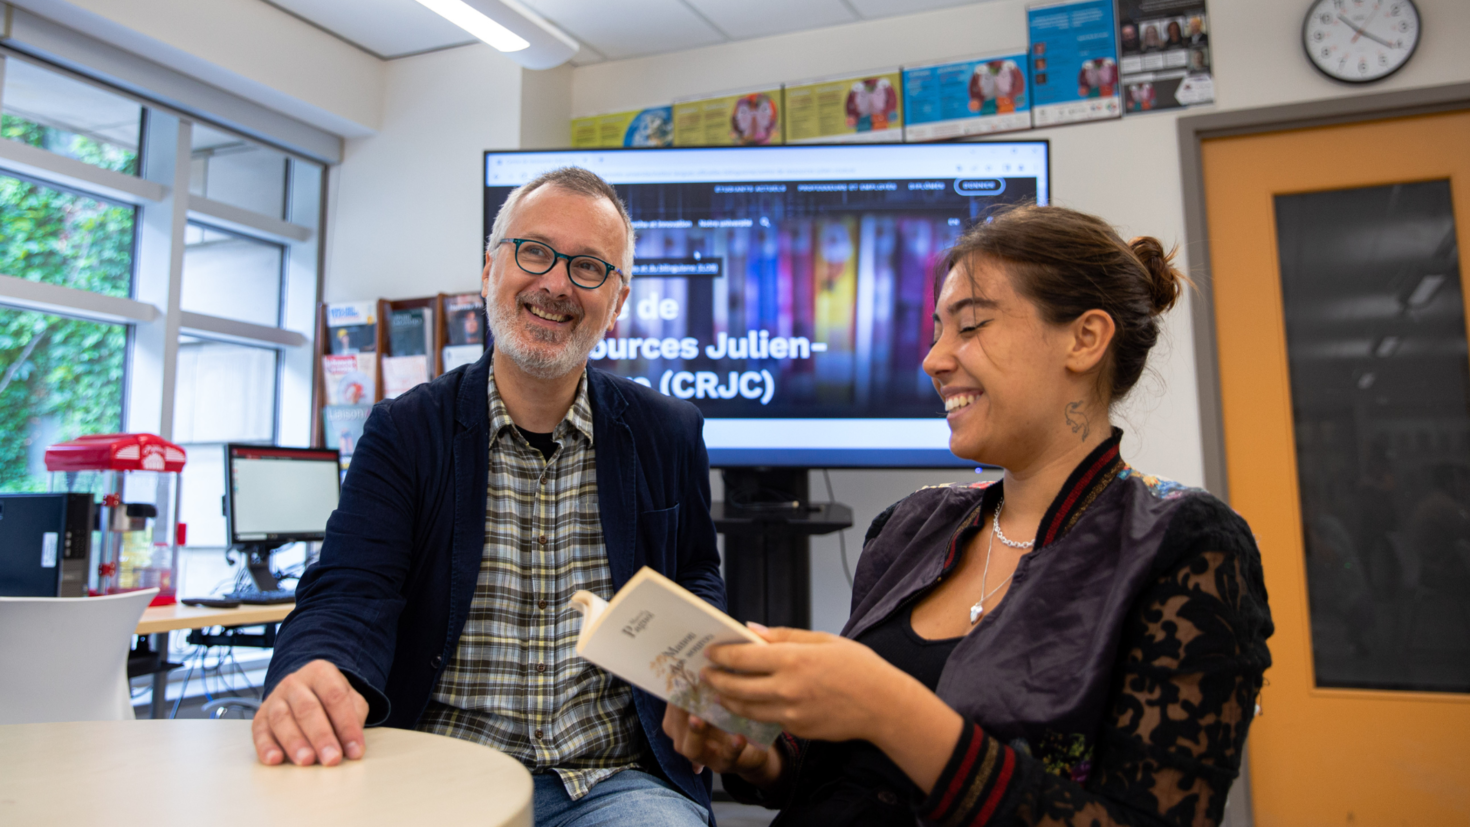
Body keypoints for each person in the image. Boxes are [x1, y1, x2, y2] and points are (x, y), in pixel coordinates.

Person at [664, 205, 1274, 827]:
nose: (933, 359)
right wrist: (758, 754)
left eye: (971, 327)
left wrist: (886, 704)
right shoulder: (908, 528)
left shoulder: (1184, 546)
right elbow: (843, 771)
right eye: (935, 332)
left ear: (1085, 339)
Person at [254, 167, 724, 827]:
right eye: (535, 251)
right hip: (438, 771)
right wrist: (315, 667)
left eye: (589, 267)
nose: (556, 283)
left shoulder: (668, 433)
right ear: (488, 269)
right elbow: (348, 590)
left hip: (615, 781)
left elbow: (695, 572)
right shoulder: (404, 431)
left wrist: (704, 676)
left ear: (617, 304)